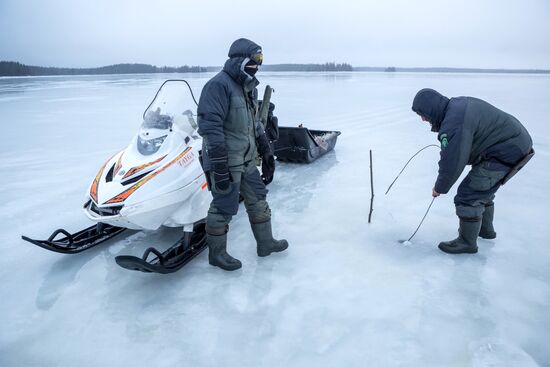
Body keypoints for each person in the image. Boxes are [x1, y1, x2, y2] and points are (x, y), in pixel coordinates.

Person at [197, 38, 288, 271]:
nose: (257, 66)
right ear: (241, 60)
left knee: (258, 198)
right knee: (223, 206)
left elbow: (255, 123)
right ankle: (217, 255)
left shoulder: (247, 87)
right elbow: (210, 127)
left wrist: (266, 150)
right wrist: (218, 164)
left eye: (261, 61)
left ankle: (265, 244)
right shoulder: (218, 86)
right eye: (255, 60)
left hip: (246, 159)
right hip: (225, 161)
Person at [411, 88, 533, 254]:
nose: (423, 119)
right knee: (481, 189)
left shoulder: (454, 123)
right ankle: (485, 231)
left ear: (431, 108)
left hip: (507, 150)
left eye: (423, 114)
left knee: (469, 195)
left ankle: (467, 243)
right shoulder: (456, 107)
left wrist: (440, 187)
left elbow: (452, 161)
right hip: (513, 144)